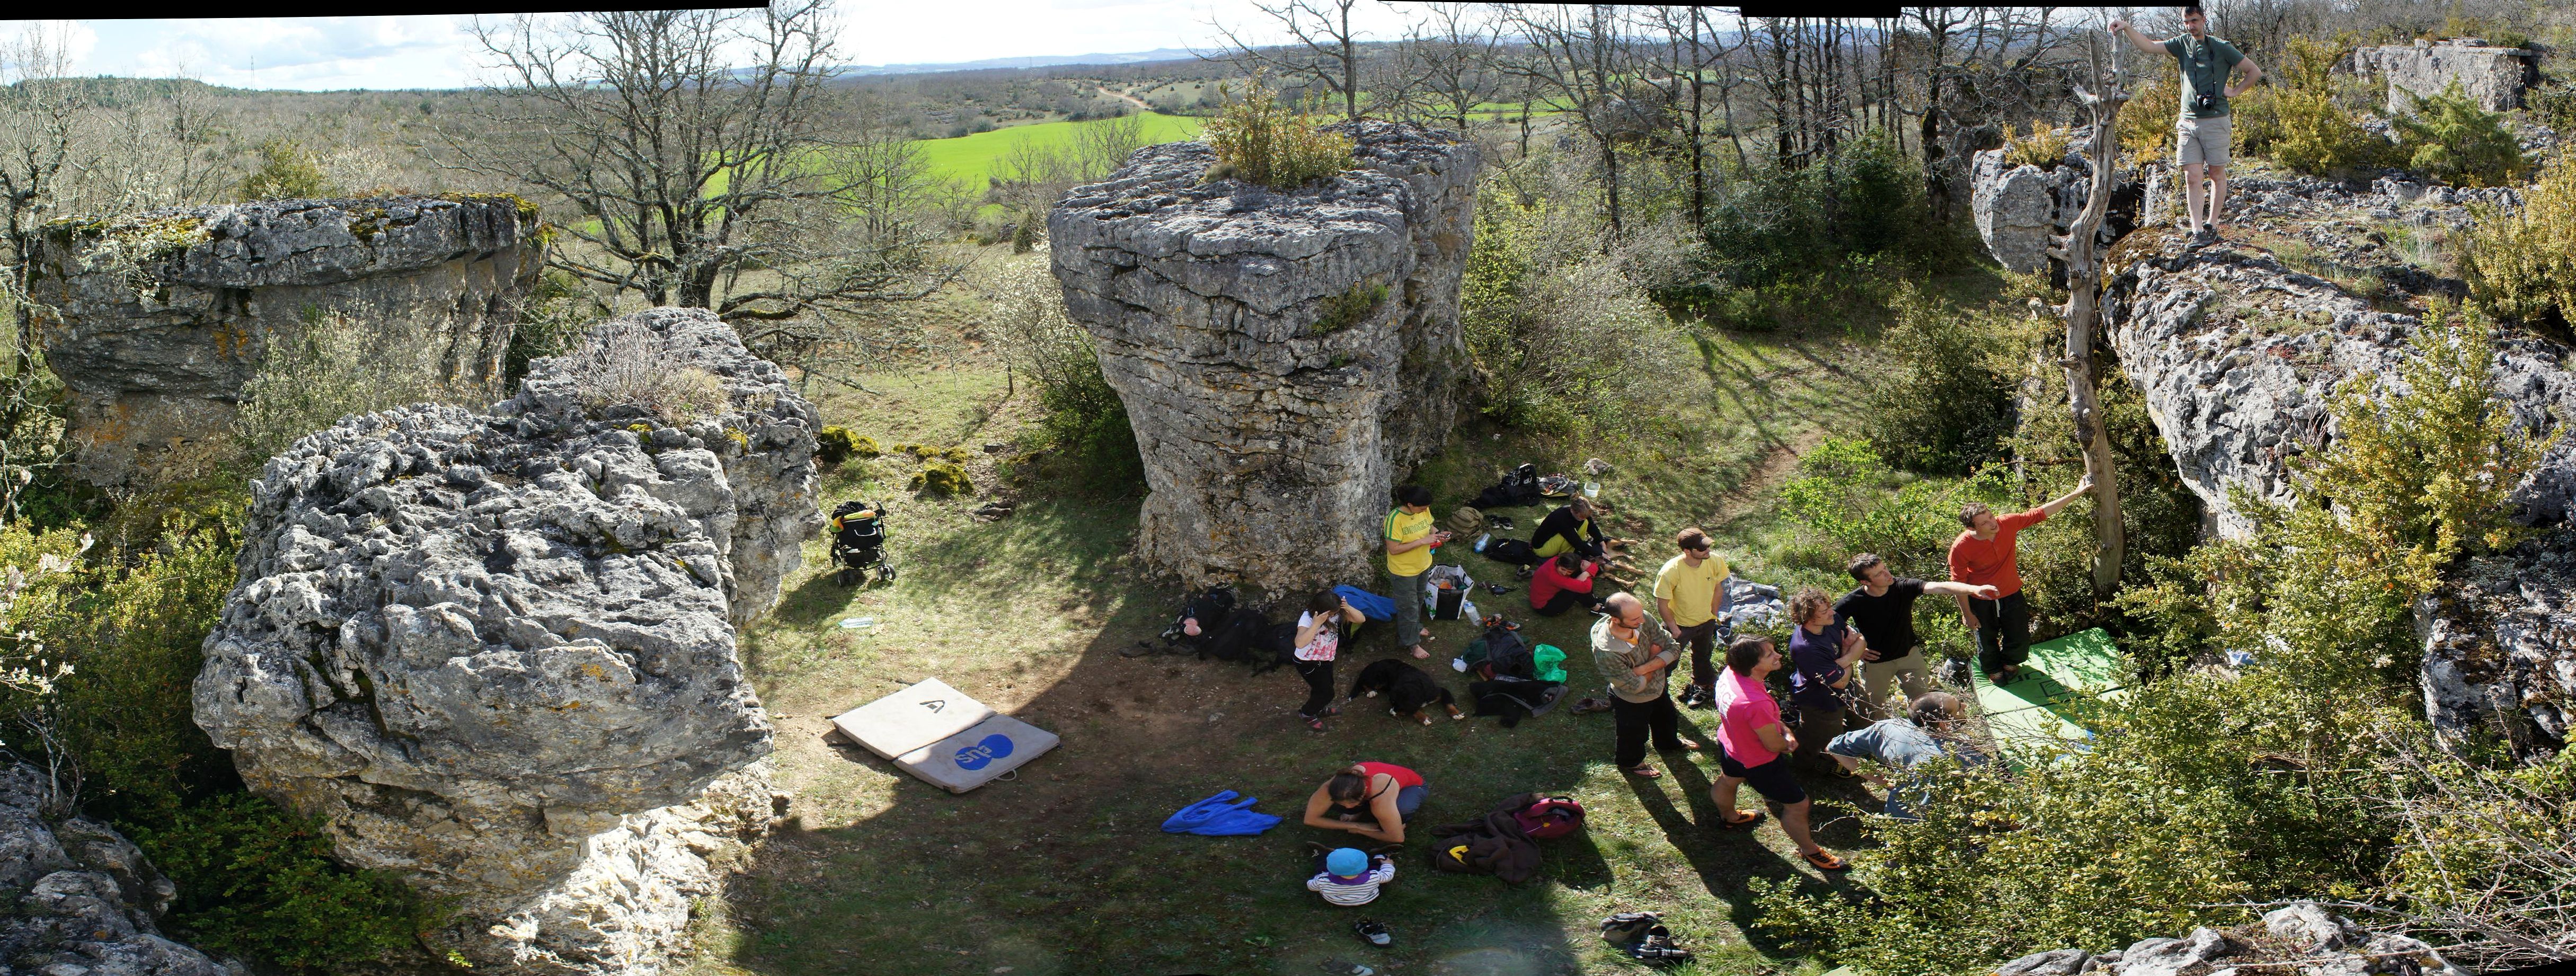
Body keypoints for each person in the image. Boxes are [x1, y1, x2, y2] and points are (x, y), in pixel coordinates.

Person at [2110, 6, 2265, 246]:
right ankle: (2197, 230)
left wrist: (2234, 92)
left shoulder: (2221, 47)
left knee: (2216, 174)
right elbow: (2150, 46)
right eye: (2187, 22)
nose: (2191, 26)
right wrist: (2127, 28)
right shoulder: (2182, 44)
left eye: (2194, 21)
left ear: (2203, 19)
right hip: (2187, 122)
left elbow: (2254, 71)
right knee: (2192, 176)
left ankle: (2211, 225)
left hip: (2216, 120)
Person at [1709, 636, 1846, 872]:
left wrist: (1780, 726)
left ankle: (1729, 817)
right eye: (1770, 654)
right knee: (1798, 805)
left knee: (1729, 779)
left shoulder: (1730, 674)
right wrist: (1789, 739)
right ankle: (1810, 851)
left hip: (1731, 743)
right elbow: (1773, 745)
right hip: (1759, 762)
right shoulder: (1754, 703)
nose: (1778, 656)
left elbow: (1758, 720)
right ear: (1753, 665)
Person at [1949, 475, 2094, 687]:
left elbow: (2040, 513)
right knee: (1986, 638)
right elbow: (1958, 583)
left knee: (2019, 634)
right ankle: (1993, 669)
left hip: (2011, 592)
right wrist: (1967, 614)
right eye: (1984, 523)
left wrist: (2076, 493)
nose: (1992, 523)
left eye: (1991, 516)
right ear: (1972, 528)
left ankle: (2010, 662)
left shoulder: (2006, 523)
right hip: (1981, 599)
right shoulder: (1961, 547)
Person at [1833, 554, 1999, 720]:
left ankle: (1931, 736)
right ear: (1865, 582)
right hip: (1876, 664)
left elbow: (1940, 587)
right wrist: (1857, 650)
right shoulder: (1854, 601)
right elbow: (1829, 625)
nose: (1887, 574)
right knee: (1874, 709)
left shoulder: (1902, 586)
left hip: (1910, 656)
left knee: (1925, 703)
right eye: (1879, 574)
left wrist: (1974, 590)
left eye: (1885, 568)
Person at [1825, 691, 1990, 821]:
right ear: (1944, 724)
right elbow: (1989, 795)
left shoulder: (1887, 727)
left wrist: (1882, 781)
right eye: (1959, 708)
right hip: (1925, 819)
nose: (1966, 706)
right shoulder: (1962, 755)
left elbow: (1834, 749)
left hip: (1899, 812)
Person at [1591, 592, 1700, 778]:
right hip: (1630, 699)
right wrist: (1656, 658)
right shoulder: (1607, 651)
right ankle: (1631, 763)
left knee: (1667, 718)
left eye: (1641, 614)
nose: (1642, 620)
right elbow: (1635, 686)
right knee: (1633, 734)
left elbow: (1673, 647)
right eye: (1635, 619)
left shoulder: (1642, 618)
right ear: (1616, 620)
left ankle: (1667, 744)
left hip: (1657, 687)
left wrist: (1644, 667)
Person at [1784, 587, 1869, 776]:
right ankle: (1807, 769)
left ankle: (1854, 750)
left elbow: (1861, 639)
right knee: (1824, 737)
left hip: (1846, 686)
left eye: (1829, 607)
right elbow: (1838, 683)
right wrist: (1849, 653)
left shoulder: (1832, 620)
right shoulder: (1806, 648)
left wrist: (1844, 659)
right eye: (1824, 612)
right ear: (1808, 618)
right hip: (1820, 700)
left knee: (1866, 715)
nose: (1832, 612)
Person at [1654, 527, 1731, 709]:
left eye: (1708, 546)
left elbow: (1718, 588)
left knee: (1703, 656)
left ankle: (1703, 686)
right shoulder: (1670, 571)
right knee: (1667, 661)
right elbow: (1662, 604)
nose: (1708, 551)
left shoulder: (1714, 561)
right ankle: (1659, 693)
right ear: (1687, 551)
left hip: (1706, 621)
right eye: (1703, 549)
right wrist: (1673, 628)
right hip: (1680, 625)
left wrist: (1713, 614)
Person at [1385, 485, 1451, 660]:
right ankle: (1411, 643)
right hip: (1404, 571)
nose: (1426, 510)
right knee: (1409, 606)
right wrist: (1423, 542)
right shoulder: (1394, 520)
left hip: (1423, 565)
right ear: (1410, 505)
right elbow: (1394, 549)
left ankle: (1415, 626)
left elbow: (1429, 526)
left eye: (1427, 508)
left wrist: (1438, 534)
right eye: (1422, 508)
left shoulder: (1423, 510)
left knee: (1420, 598)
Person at [1292, 590, 1365, 731]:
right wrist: (1316, 624)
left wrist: (1348, 607)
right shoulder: (1307, 619)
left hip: (1326, 659)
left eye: (1335, 613)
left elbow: (1361, 619)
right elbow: (1299, 643)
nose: (1334, 616)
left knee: (1324, 687)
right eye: (1331, 614)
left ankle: (1317, 707)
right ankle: (1307, 713)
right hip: (1309, 662)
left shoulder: (1335, 613)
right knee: (1327, 693)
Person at [1303, 761, 1426, 844]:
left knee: (1402, 809)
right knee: (1332, 804)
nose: (1347, 807)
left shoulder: (1380, 797)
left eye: (1351, 803)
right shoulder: (1331, 788)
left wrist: (1361, 831)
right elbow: (1310, 820)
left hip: (1412, 787)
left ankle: (1401, 821)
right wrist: (1356, 825)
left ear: (1364, 793)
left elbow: (1397, 838)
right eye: (1343, 804)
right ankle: (1361, 811)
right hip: (1369, 794)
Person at [1307, 847, 1398, 906]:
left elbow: (1311, 886)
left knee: (1320, 866)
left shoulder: (1322, 880)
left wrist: (1318, 879)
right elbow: (1387, 876)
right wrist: (1388, 865)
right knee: (1376, 866)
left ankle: (1321, 854)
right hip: (1367, 898)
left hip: (1335, 901)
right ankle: (1380, 856)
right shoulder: (1374, 877)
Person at [1530, 496, 1606, 562]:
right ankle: (1566, 557)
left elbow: (1592, 526)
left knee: (1586, 522)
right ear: (1572, 510)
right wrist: (1600, 554)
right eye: (1581, 517)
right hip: (1541, 548)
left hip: (1554, 539)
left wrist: (1601, 542)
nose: (1583, 519)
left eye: (1585, 516)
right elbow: (1576, 542)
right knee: (1566, 537)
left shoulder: (1583, 512)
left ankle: (1574, 551)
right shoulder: (1562, 519)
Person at [1529, 553, 1606, 617]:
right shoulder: (1554, 576)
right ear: (1559, 564)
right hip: (1545, 608)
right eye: (1563, 569)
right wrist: (1588, 572)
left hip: (1549, 595)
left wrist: (1586, 572)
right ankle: (1597, 609)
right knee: (1578, 588)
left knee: (1580, 578)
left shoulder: (1557, 559)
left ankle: (1592, 600)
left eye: (1569, 572)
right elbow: (1586, 588)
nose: (1564, 573)